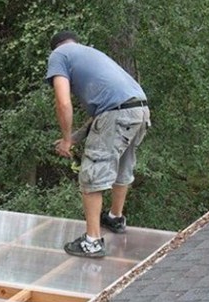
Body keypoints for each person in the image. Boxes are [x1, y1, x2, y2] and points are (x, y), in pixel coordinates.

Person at [46, 30, 150, 258]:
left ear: (56, 47)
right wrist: (74, 138)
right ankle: (115, 218)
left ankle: (92, 241)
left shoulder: (59, 55)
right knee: (123, 165)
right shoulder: (90, 54)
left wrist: (65, 139)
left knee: (91, 174)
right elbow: (104, 112)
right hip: (140, 109)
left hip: (117, 113)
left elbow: (63, 103)